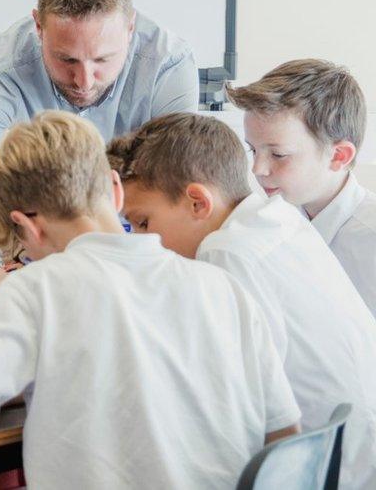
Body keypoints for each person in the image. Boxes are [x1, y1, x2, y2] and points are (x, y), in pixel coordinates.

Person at [0, 110, 300, 488]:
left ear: (26, 226)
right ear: (115, 190)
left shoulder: (36, 289)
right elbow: (284, 432)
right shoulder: (223, 287)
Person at [108, 112, 376, 488]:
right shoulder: (278, 218)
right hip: (343, 452)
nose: (139, 239)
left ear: (198, 203)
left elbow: (229, 399)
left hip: (315, 468)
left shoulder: (225, 252)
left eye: (144, 223)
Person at [0, 0, 198, 299]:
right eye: (66, 59)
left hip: (137, 268)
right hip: (33, 263)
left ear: (130, 29)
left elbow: (178, 194)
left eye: (102, 60)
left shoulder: (168, 65)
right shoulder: (1, 67)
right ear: (38, 26)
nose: (84, 81)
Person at [228, 59, 376, 314]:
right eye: (253, 150)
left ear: (338, 156)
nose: (257, 169)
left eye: (278, 155)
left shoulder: (368, 240)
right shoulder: (272, 223)